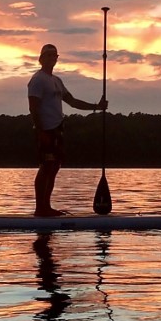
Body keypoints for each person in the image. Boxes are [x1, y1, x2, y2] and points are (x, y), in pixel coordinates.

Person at [28, 43, 107, 217]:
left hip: (58, 128)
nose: (51, 58)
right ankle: (40, 208)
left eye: (54, 55)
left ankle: (46, 207)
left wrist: (97, 107)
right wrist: (40, 131)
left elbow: (72, 101)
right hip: (45, 129)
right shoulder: (38, 80)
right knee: (46, 166)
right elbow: (33, 107)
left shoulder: (56, 81)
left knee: (54, 166)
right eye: (48, 55)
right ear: (41, 59)